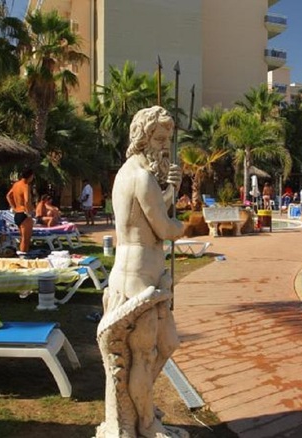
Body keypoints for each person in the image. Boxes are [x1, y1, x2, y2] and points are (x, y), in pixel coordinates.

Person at [96, 106, 186, 437]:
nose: (165, 147)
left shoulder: (132, 173)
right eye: (159, 139)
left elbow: (148, 213)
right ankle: (145, 424)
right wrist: (185, 226)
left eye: (168, 140)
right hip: (138, 280)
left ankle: (140, 399)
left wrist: (171, 190)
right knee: (142, 357)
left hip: (146, 275)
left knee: (168, 344)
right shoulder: (141, 176)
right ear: (142, 137)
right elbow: (164, 228)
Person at [6, 168, 35, 254]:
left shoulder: (16, 184)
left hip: (18, 214)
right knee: (26, 239)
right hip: (24, 214)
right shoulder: (25, 186)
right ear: (30, 176)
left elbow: (8, 196)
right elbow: (27, 200)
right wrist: (29, 212)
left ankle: (23, 254)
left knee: (23, 238)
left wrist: (14, 207)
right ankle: (24, 255)